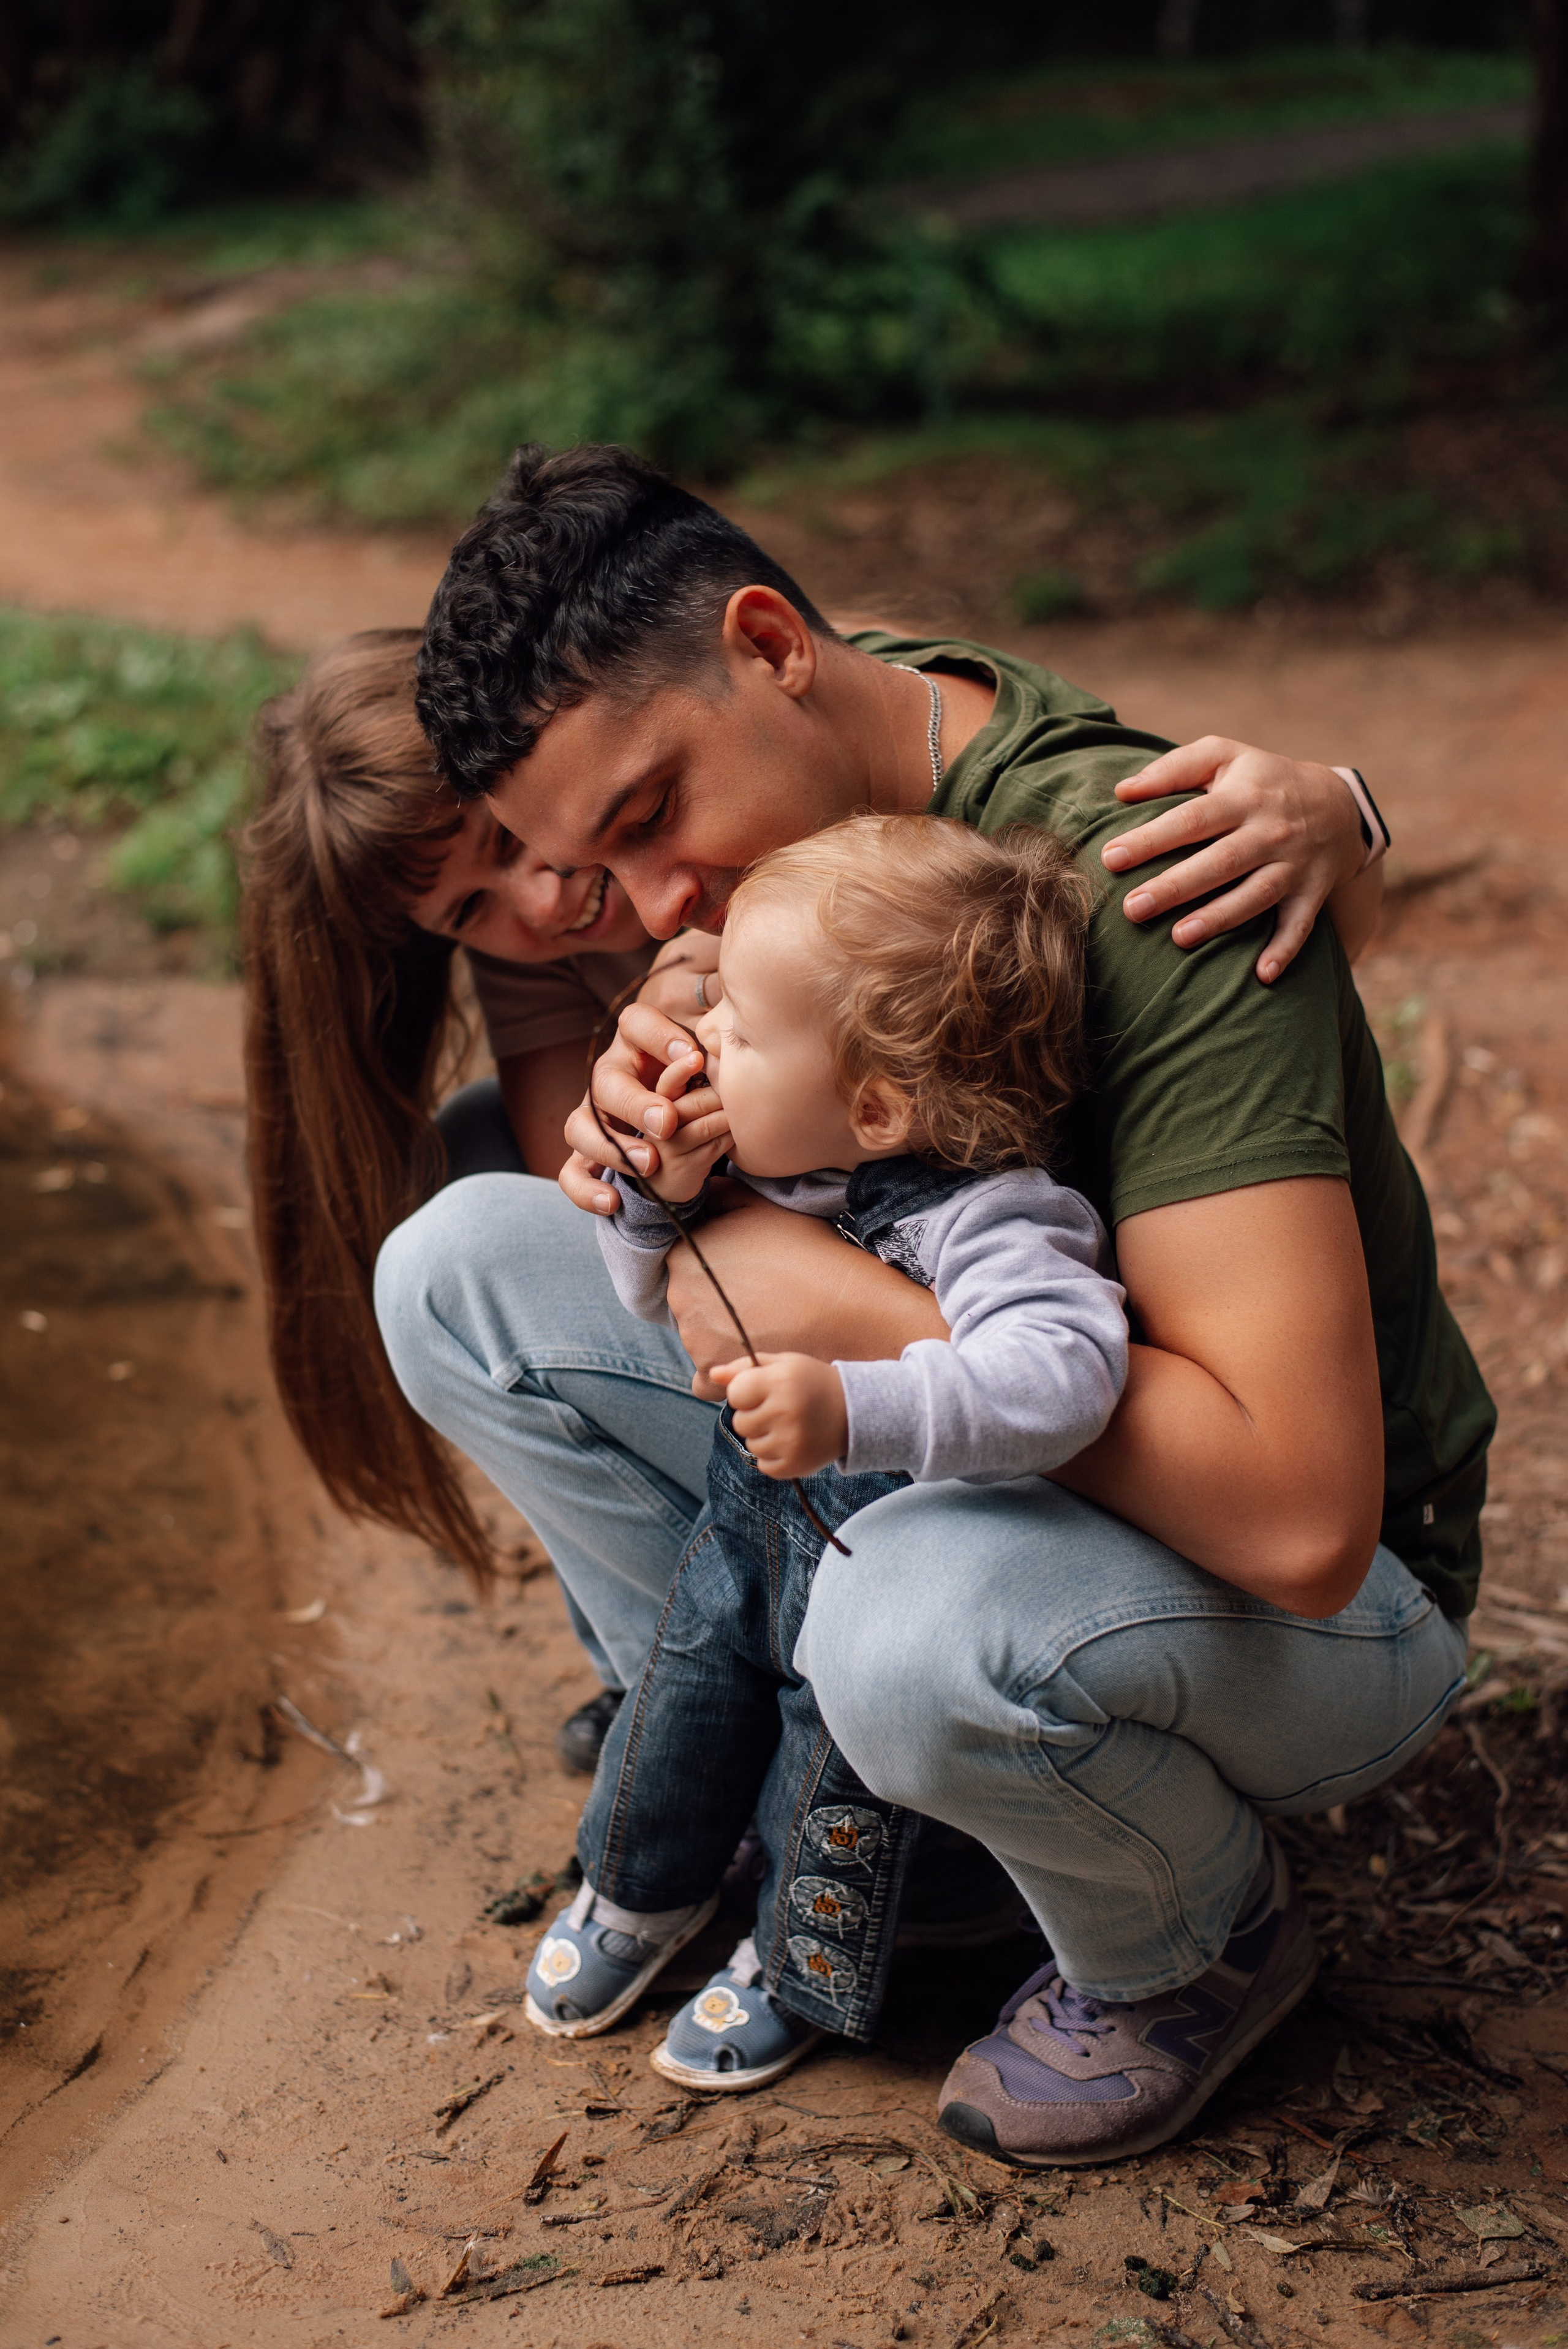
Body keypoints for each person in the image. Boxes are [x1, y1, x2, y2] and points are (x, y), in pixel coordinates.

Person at [377, 441, 1494, 2166]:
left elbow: (1299, 1520)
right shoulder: (832, 774)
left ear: (768, 646)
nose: (660, 909)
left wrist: (786, 1274)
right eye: (602, 873)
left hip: (1325, 1615)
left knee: (901, 1619)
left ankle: (1187, 1938)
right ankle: (810, 1810)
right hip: (985, 1467)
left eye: (653, 817)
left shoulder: (1145, 873)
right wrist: (673, 1144)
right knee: (457, 1270)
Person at [522, 815, 1128, 2092]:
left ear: (871, 1101)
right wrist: (657, 1198)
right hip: (748, 1534)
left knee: (829, 1767)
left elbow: (1067, 1375)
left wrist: (859, 1405)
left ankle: (790, 1964)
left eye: (739, 1027)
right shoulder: (795, 1168)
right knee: (683, 1688)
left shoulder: (996, 1216)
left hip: (890, 1566)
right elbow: (647, 1298)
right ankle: (638, 1887)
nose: (704, 1039)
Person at [243, 626, 707, 1768]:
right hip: (711, 1231)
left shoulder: (693, 797)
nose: (539, 901)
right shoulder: (534, 941)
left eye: (509, 835)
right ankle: (650, 1665)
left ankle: (713, 1704)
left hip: (877, 1279)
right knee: (468, 1154)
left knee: (460, 1264)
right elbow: (581, 1171)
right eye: (468, 911)